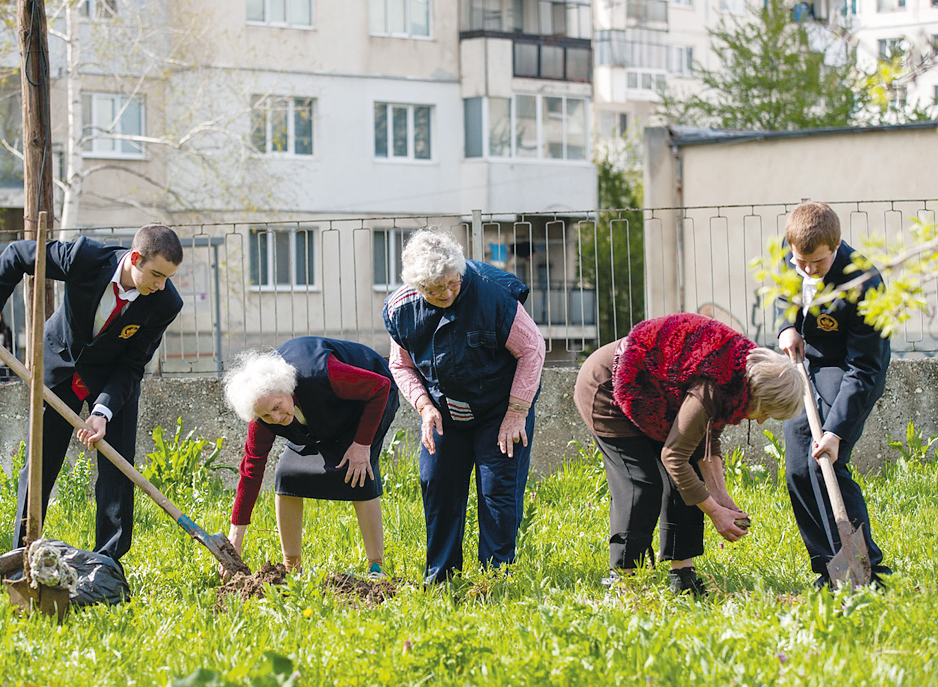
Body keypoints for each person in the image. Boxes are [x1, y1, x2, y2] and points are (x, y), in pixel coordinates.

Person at [0, 224, 183, 561]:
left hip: (112, 378)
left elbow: (132, 365)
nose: (160, 285)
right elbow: (17, 255)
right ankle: (22, 552)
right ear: (135, 258)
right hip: (61, 361)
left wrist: (102, 412)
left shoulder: (165, 303)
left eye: (167, 278)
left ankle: (108, 563)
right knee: (40, 462)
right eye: (156, 274)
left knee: (117, 472)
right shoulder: (85, 258)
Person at [573, 312, 804, 594]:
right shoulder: (716, 385)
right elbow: (674, 456)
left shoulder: (738, 380)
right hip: (609, 386)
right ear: (760, 394)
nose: (761, 421)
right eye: (767, 411)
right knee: (641, 483)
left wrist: (719, 496)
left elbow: (707, 438)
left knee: (689, 480)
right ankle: (624, 579)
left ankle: (682, 576)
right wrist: (715, 513)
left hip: (656, 393)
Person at [382, 229, 545, 584]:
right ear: (417, 288)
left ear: (460, 273)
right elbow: (401, 364)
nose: (446, 294)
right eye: (434, 290)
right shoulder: (402, 309)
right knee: (436, 482)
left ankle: (494, 578)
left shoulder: (494, 296)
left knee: (496, 492)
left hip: (501, 408)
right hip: (442, 410)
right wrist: (424, 406)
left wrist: (516, 412)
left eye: (451, 284)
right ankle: (441, 578)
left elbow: (532, 350)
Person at [776, 201, 891, 588]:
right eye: (800, 262)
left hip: (850, 369)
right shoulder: (794, 251)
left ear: (837, 245)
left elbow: (865, 369)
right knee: (797, 466)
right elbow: (784, 292)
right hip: (808, 363)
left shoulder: (864, 282)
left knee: (825, 460)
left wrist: (836, 432)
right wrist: (786, 327)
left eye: (818, 264)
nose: (808, 270)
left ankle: (865, 570)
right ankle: (829, 567)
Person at [222, 337, 399, 577]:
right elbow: (251, 468)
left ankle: (376, 567)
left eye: (276, 407)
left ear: (287, 389)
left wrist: (361, 444)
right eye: (265, 415)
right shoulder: (263, 414)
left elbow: (379, 386)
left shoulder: (321, 375)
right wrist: (235, 536)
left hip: (367, 399)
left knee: (358, 473)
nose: (274, 418)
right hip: (315, 415)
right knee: (288, 475)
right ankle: (292, 568)